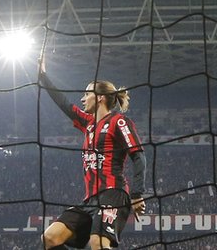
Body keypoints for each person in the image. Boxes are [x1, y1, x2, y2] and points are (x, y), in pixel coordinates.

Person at [38, 58, 147, 250]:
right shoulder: (88, 123)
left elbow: (138, 156)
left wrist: (137, 194)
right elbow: (64, 104)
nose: (82, 99)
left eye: (86, 94)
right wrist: (43, 76)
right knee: (50, 238)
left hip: (113, 193)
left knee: (97, 243)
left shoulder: (118, 121)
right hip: (90, 199)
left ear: (100, 97)